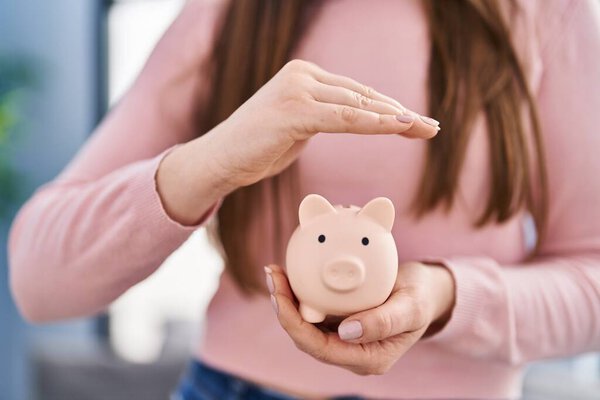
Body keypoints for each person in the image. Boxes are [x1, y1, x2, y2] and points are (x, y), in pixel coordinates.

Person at [8, 0, 600, 399]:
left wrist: (448, 297)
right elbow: (37, 281)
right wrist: (209, 162)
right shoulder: (232, 12)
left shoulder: (543, 11)